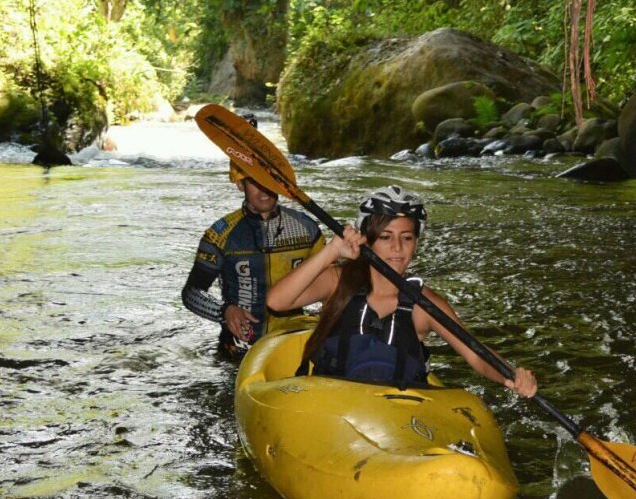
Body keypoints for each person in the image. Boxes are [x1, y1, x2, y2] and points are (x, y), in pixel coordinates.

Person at [266, 185, 537, 396]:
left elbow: (475, 355)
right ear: (368, 241)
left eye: (406, 238)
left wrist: (510, 376)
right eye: (385, 237)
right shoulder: (338, 281)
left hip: (395, 413)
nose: (397, 248)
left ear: (416, 243)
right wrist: (332, 252)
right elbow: (277, 301)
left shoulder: (424, 304)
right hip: (333, 406)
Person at [182, 157, 325, 357]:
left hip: (292, 343)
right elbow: (191, 293)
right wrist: (225, 311)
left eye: (269, 180)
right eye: (255, 182)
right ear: (240, 184)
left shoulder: (307, 228)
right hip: (239, 349)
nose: (264, 189)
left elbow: (335, 284)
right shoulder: (220, 234)